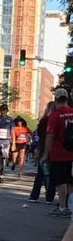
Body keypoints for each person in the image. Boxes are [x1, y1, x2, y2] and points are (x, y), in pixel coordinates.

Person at [41, 87, 73, 217]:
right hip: (71, 153)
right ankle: (71, 206)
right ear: (67, 99)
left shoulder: (55, 115)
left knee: (60, 182)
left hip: (59, 153)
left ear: (56, 99)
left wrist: (45, 155)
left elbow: (50, 136)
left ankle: (62, 207)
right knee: (70, 181)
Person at [28, 101, 57, 204]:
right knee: (53, 174)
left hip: (44, 148)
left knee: (40, 174)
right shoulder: (58, 119)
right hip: (56, 150)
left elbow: (40, 135)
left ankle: (34, 196)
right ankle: (50, 197)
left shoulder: (44, 120)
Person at [0, 104, 15, 183]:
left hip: (6, 141)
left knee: (4, 158)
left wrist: (13, 142)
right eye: (2, 110)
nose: (3, 112)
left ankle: (2, 175)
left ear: (7, 111)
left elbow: (12, 131)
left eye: (5, 110)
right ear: (0, 111)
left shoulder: (10, 120)